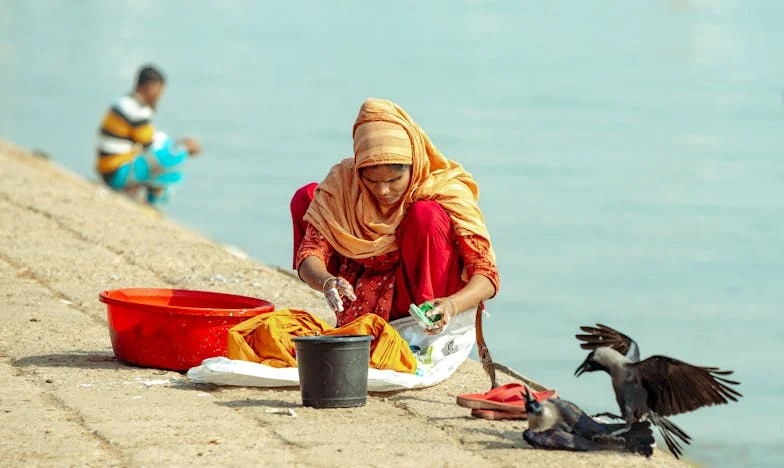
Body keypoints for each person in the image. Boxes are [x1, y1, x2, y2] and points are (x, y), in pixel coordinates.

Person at [291, 98, 499, 335]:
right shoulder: (342, 185)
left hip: (423, 300)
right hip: (357, 288)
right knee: (307, 196)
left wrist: (452, 304)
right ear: (359, 171)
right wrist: (327, 281)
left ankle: (425, 330)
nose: (383, 191)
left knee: (426, 215)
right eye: (372, 181)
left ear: (414, 166)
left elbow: (486, 275)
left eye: (393, 180)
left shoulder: (446, 190)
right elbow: (310, 253)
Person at [95, 65, 201, 206]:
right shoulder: (137, 110)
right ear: (149, 87)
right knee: (173, 161)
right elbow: (150, 144)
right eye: (159, 90)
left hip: (108, 169)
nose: (160, 95)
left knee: (169, 154)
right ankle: (149, 198)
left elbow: (148, 138)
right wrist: (184, 148)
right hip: (116, 173)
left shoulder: (124, 103)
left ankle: (140, 191)